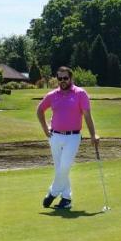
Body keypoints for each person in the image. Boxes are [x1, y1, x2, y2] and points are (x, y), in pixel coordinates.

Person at [36, 66, 99, 210]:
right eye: (59, 78)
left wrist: (93, 134)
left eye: (65, 78)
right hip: (55, 136)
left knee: (64, 166)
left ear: (71, 78)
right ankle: (66, 199)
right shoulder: (52, 95)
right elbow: (40, 110)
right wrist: (45, 128)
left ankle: (53, 192)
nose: (62, 81)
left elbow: (88, 116)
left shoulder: (80, 94)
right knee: (60, 168)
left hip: (73, 136)